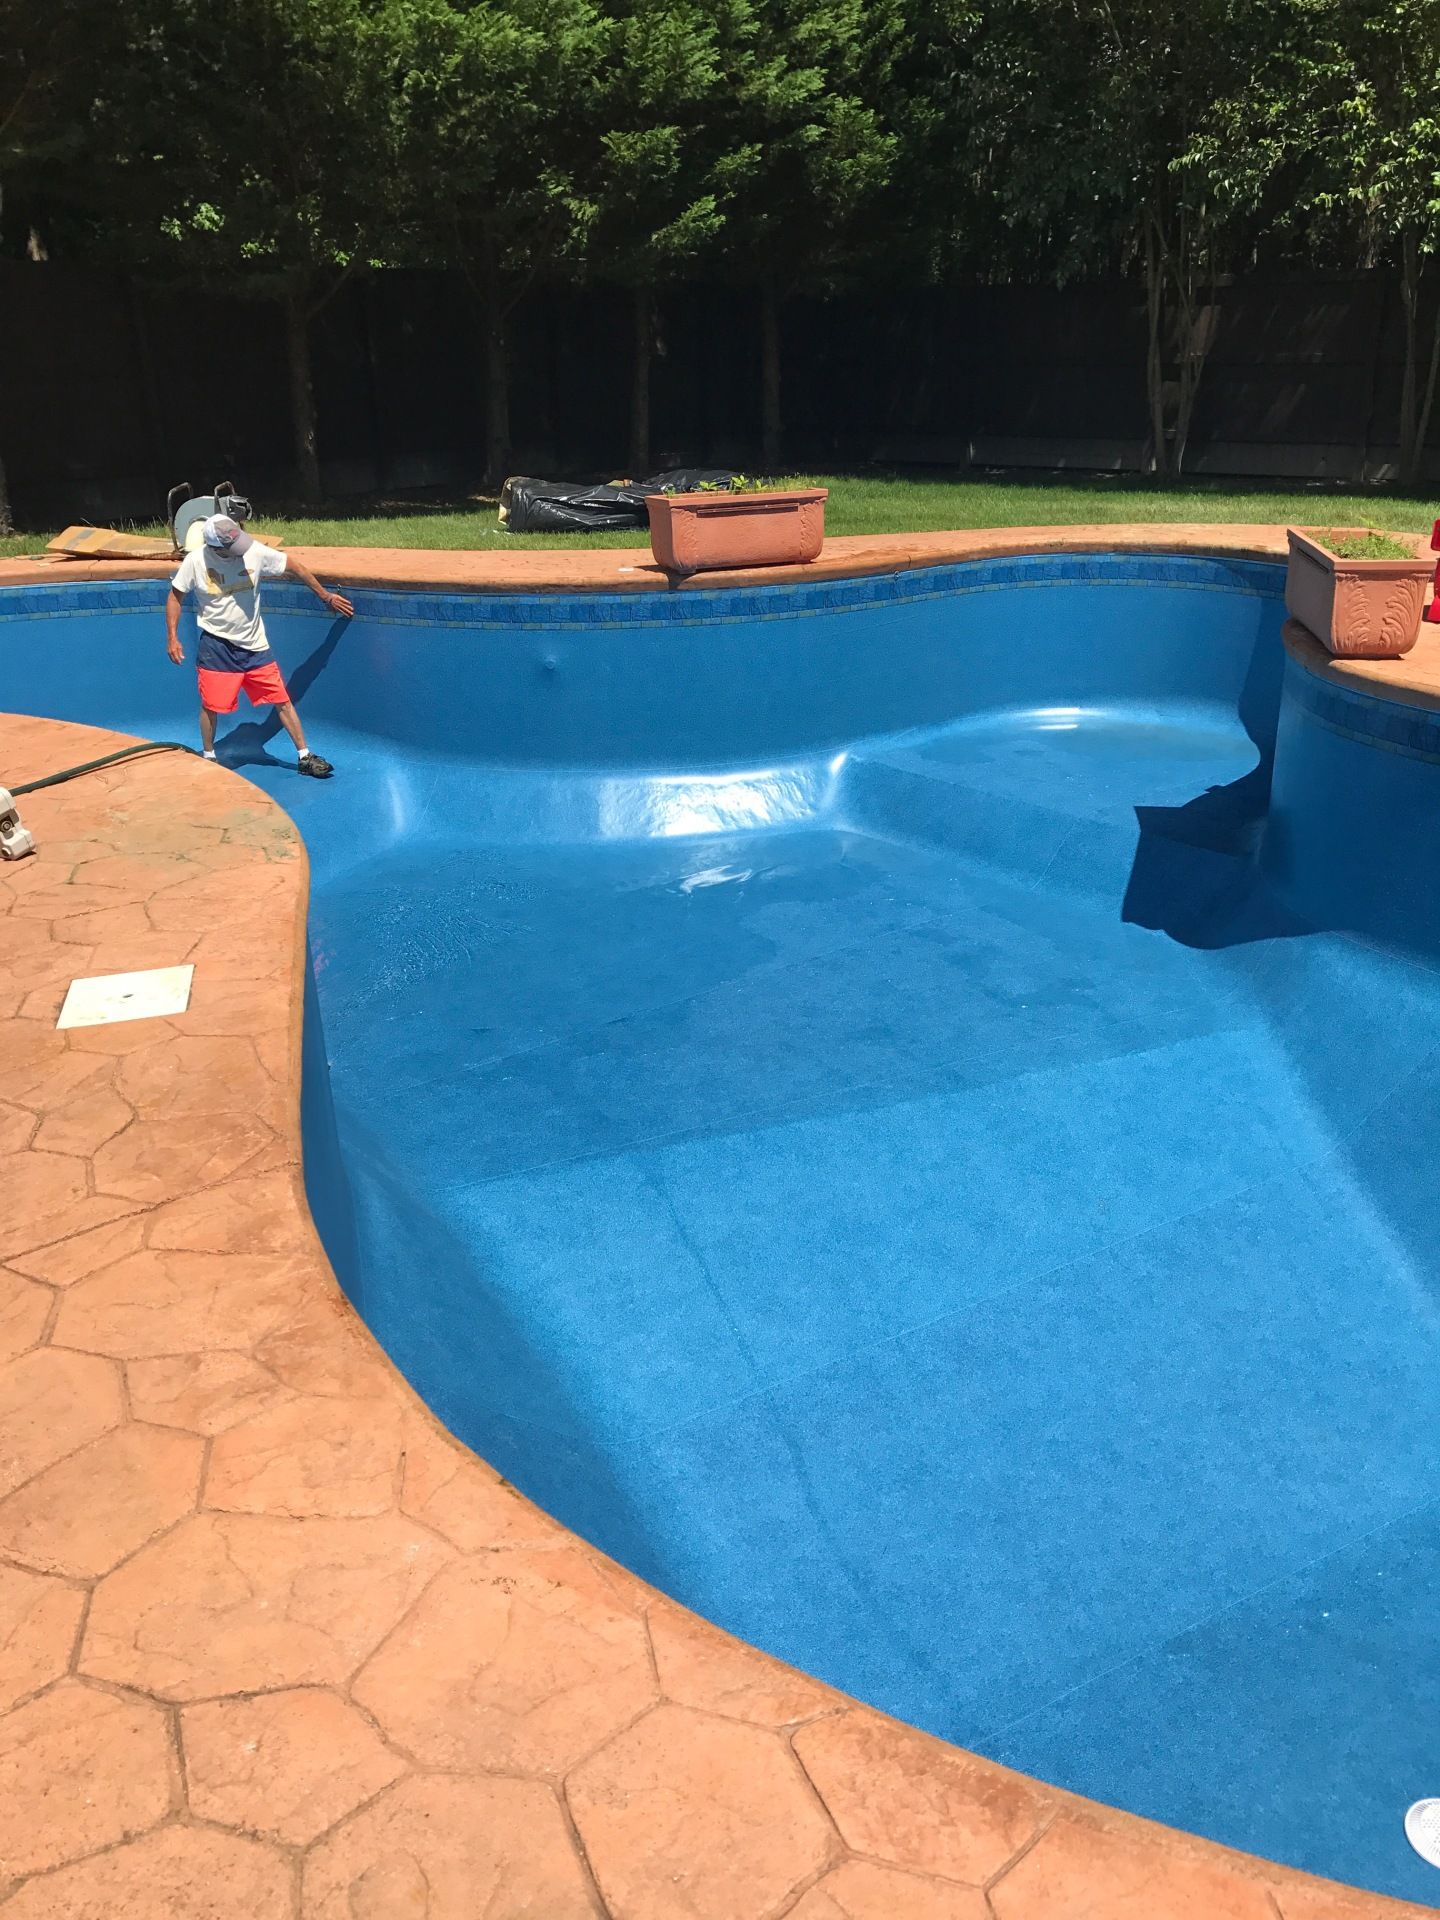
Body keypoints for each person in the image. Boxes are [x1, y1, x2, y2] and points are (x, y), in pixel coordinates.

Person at [166, 514, 354, 777]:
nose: (240, 551)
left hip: (255, 646)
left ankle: (305, 756)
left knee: (282, 700)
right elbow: (175, 597)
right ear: (214, 547)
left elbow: (294, 565)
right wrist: (172, 637)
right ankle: (209, 755)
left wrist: (325, 596)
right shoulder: (195, 561)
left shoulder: (252, 551)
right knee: (211, 705)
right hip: (216, 647)